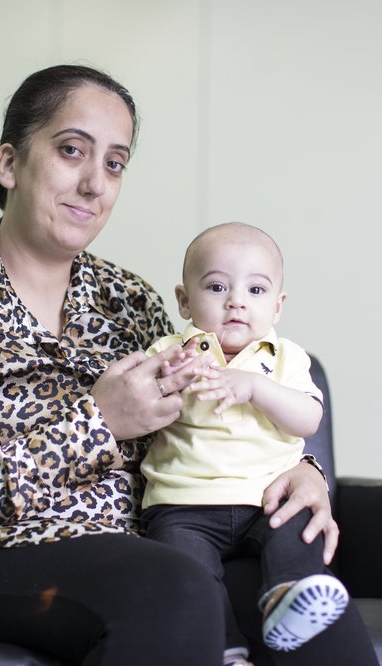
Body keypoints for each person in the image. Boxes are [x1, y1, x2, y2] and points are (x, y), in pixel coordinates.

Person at [0, 64, 378, 666]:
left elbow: (201, 426)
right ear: (9, 164)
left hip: (139, 547)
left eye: (114, 163)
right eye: (71, 151)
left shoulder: (128, 300)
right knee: (170, 587)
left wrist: (306, 470)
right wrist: (96, 424)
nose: (94, 183)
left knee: (307, 608)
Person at [141, 223, 350, 666]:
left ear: (278, 305)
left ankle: (288, 597)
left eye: (256, 290)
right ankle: (223, 650)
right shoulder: (172, 350)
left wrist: (255, 388)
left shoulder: (286, 358)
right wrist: (171, 379)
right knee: (187, 572)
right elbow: (141, 413)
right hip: (184, 504)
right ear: (184, 300)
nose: (236, 300)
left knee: (299, 532)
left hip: (268, 499)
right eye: (217, 286)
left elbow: (309, 417)